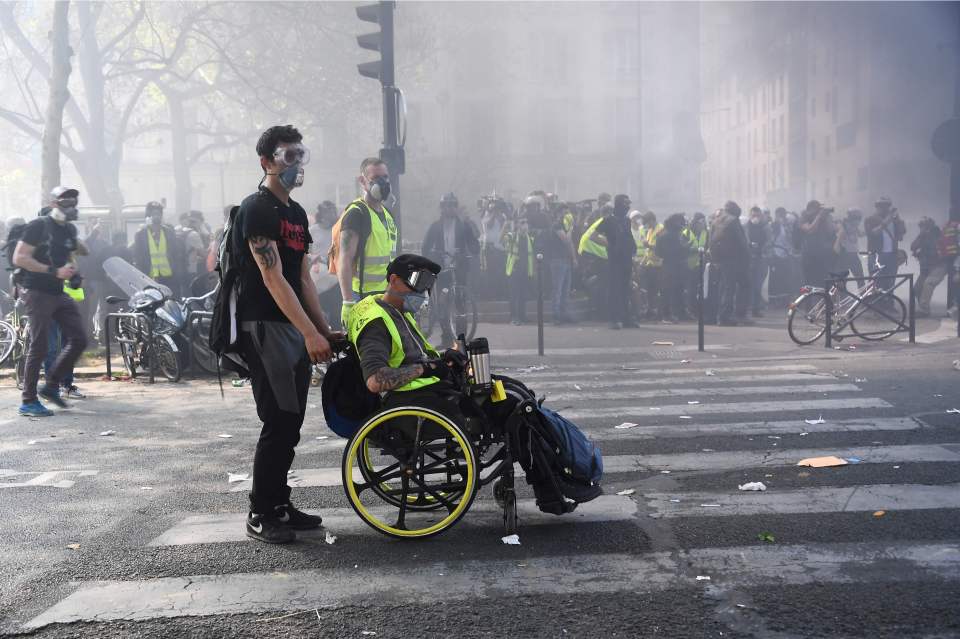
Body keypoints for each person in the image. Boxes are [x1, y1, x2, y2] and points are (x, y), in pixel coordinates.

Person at [233, 124, 339, 544]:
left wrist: (322, 329)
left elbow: (303, 279)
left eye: (300, 154)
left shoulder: (295, 213)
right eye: (287, 156)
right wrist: (307, 333)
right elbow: (273, 277)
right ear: (267, 162)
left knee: (291, 419)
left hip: (291, 326)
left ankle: (280, 503)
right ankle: (261, 512)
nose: (296, 163)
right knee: (278, 420)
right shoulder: (257, 209)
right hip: (265, 326)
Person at [12, 187, 88, 417]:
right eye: (66, 201)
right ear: (55, 203)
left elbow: (75, 254)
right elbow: (20, 257)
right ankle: (28, 401)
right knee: (40, 345)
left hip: (57, 293)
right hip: (36, 291)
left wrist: (72, 273)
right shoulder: (39, 225)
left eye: (74, 201)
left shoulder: (68, 229)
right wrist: (54, 271)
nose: (72, 205)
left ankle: (52, 386)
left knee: (79, 339)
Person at [335, 157, 398, 328]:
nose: (383, 183)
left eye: (385, 177)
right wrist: (348, 302)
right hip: (361, 298)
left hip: (385, 297)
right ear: (362, 181)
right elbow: (345, 260)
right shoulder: (357, 214)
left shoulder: (388, 215)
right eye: (376, 178)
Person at [421, 192, 480, 344]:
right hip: (442, 269)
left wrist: (468, 252)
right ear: (442, 208)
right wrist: (431, 258)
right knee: (443, 304)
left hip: (459, 268)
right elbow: (425, 246)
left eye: (453, 205)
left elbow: (474, 244)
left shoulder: (464, 225)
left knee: (460, 304)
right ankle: (446, 338)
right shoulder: (436, 226)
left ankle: (460, 340)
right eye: (447, 205)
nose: (450, 208)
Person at [709, 200, 753, 326]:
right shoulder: (733, 221)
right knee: (744, 285)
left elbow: (710, 241)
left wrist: (714, 259)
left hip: (721, 260)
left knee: (725, 287)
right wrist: (748, 258)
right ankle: (736, 315)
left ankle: (722, 315)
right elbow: (741, 242)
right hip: (736, 260)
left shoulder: (715, 220)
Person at [596, 195, 638, 329]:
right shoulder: (609, 220)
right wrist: (608, 244)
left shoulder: (626, 220)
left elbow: (628, 236)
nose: (628, 207)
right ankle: (614, 319)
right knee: (615, 289)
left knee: (626, 289)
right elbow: (593, 235)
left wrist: (633, 249)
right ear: (619, 204)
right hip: (615, 259)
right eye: (625, 204)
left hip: (626, 258)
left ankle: (626, 319)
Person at [133, 201, 184, 296]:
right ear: (148, 216)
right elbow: (138, 256)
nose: (156, 216)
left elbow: (176, 253)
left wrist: (178, 272)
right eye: (153, 214)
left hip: (169, 277)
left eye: (158, 213)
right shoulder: (141, 234)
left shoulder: (168, 232)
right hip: (149, 276)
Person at [655, 213, 693, 323]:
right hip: (675, 266)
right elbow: (682, 250)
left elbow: (658, 252)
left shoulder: (663, 235)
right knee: (674, 290)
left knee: (671, 290)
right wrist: (686, 248)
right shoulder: (677, 236)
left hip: (669, 265)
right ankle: (669, 315)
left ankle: (672, 314)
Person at [864, 196, 906, 290]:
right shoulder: (870, 219)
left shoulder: (894, 221)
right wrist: (887, 220)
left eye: (886, 206)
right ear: (877, 207)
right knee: (874, 282)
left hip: (891, 255)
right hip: (876, 255)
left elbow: (900, 237)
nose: (884, 208)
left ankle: (889, 303)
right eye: (881, 206)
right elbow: (873, 233)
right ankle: (872, 302)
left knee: (890, 282)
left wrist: (898, 220)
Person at [502, 214, 534, 325]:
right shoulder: (513, 235)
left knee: (523, 295)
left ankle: (522, 316)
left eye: (526, 222)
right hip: (514, 270)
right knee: (514, 295)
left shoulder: (529, 237)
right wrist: (505, 227)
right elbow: (502, 239)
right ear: (517, 225)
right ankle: (513, 317)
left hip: (525, 270)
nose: (525, 225)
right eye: (522, 222)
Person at [798, 200, 837, 289]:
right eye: (818, 209)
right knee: (809, 282)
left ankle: (823, 301)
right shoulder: (804, 218)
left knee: (824, 282)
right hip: (808, 255)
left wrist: (827, 217)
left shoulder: (823, 219)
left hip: (822, 254)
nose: (820, 211)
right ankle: (808, 302)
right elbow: (810, 230)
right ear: (811, 209)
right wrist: (818, 217)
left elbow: (831, 231)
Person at [912, 217, 942, 317]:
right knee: (916, 289)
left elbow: (934, 250)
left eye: (924, 225)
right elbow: (913, 246)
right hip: (925, 268)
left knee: (928, 284)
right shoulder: (923, 236)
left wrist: (921, 251)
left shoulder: (936, 235)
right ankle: (925, 308)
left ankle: (924, 310)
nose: (922, 228)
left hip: (937, 266)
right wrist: (921, 235)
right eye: (921, 226)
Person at [636, 211, 664, 322]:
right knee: (649, 290)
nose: (647, 226)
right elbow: (648, 250)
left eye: (647, 223)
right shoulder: (650, 230)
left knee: (656, 291)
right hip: (649, 264)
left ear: (652, 220)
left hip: (658, 265)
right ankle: (650, 311)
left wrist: (648, 245)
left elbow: (660, 248)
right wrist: (642, 261)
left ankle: (657, 313)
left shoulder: (660, 229)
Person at [746, 206, 771, 317]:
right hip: (749, 258)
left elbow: (769, 240)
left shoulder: (765, 227)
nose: (755, 217)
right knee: (748, 284)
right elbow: (744, 239)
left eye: (757, 215)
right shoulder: (746, 226)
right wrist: (750, 245)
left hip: (760, 258)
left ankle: (755, 308)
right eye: (753, 215)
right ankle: (748, 307)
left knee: (758, 284)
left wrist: (762, 249)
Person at [683, 212, 708, 316]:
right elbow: (682, 248)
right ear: (696, 222)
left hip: (702, 264)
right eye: (701, 222)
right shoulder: (686, 232)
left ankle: (699, 309)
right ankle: (691, 309)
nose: (703, 224)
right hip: (690, 265)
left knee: (701, 288)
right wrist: (694, 250)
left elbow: (707, 245)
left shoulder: (705, 232)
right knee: (691, 288)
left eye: (703, 221)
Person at [834, 208, 865, 287]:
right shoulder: (843, 225)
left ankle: (862, 297)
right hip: (844, 255)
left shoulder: (854, 226)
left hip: (854, 255)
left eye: (859, 219)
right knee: (842, 281)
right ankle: (842, 297)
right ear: (851, 218)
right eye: (857, 218)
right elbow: (839, 231)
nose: (859, 221)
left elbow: (861, 234)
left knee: (861, 279)